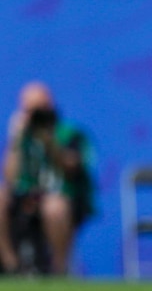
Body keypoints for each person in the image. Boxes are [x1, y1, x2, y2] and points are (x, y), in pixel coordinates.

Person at [0, 81, 95, 276]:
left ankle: (59, 270)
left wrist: (49, 141)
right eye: (29, 109)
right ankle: (10, 263)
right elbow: (10, 176)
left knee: (54, 207)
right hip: (25, 195)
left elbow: (72, 167)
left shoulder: (68, 132)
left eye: (40, 108)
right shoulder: (21, 137)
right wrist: (15, 140)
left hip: (62, 196)